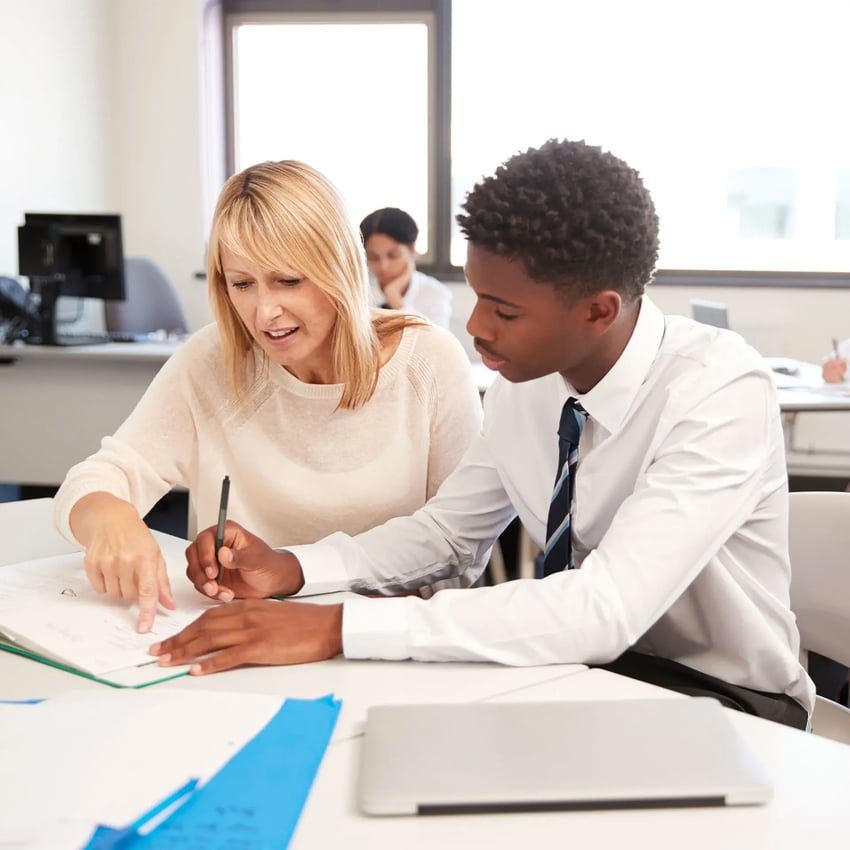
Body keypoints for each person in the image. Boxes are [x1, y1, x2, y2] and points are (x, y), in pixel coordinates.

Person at [153, 139, 814, 729]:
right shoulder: (525, 387)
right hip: (575, 675)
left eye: (504, 310)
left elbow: (604, 608)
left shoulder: (718, 389)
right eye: (474, 296)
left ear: (598, 311)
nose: (475, 328)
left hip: (723, 700)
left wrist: (337, 624)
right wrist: (295, 567)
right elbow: (444, 533)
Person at [53, 160, 484, 633]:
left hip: (391, 642)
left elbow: (461, 552)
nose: (265, 312)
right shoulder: (213, 359)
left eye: (289, 281)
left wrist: (317, 605)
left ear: (338, 267)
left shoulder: (429, 361)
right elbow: (96, 478)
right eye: (242, 284)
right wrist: (110, 515)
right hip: (241, 642)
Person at [359, 207, 452, 328]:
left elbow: (437, 344)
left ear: (412, 250)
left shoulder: (435, 293)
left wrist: (395, 299)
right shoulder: (359, 290)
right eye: (373, 257)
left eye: (393, 255)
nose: (383, 267)